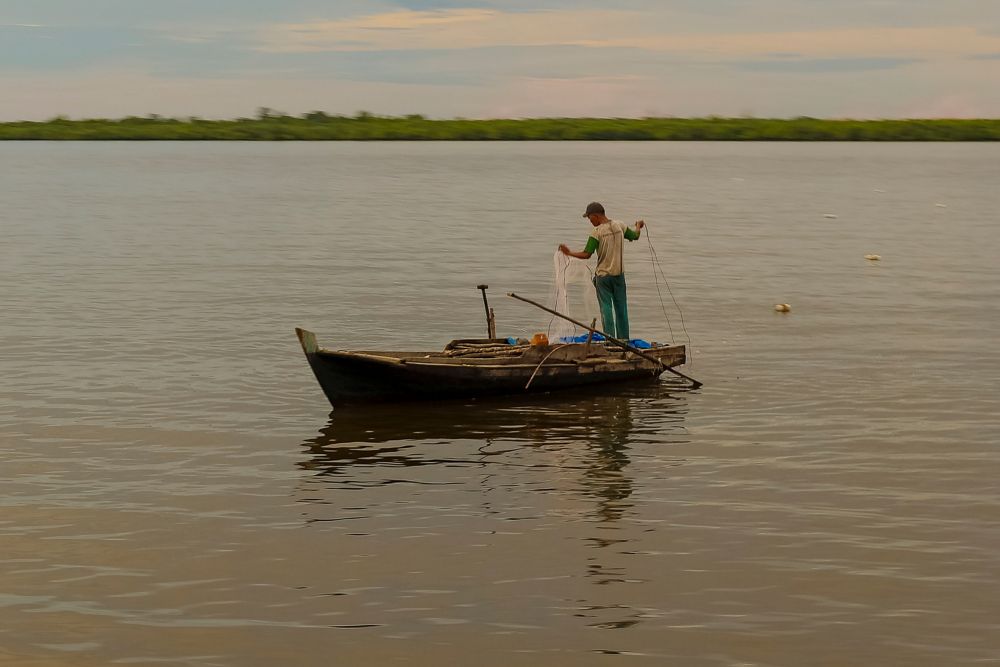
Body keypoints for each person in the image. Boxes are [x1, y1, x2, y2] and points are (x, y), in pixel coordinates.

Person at [558, 202, 645, 340]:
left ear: (596, 216)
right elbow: (635, 236)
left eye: (590, 218)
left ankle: (610, 341)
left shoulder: (597, 232)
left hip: (603, 278)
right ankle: (624, 341)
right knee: (621, 309)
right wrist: (638, 226)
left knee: (606, 310)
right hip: (619, 276)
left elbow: (587, 254)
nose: (590, 221)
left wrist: (569, 253)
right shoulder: (620, 226)